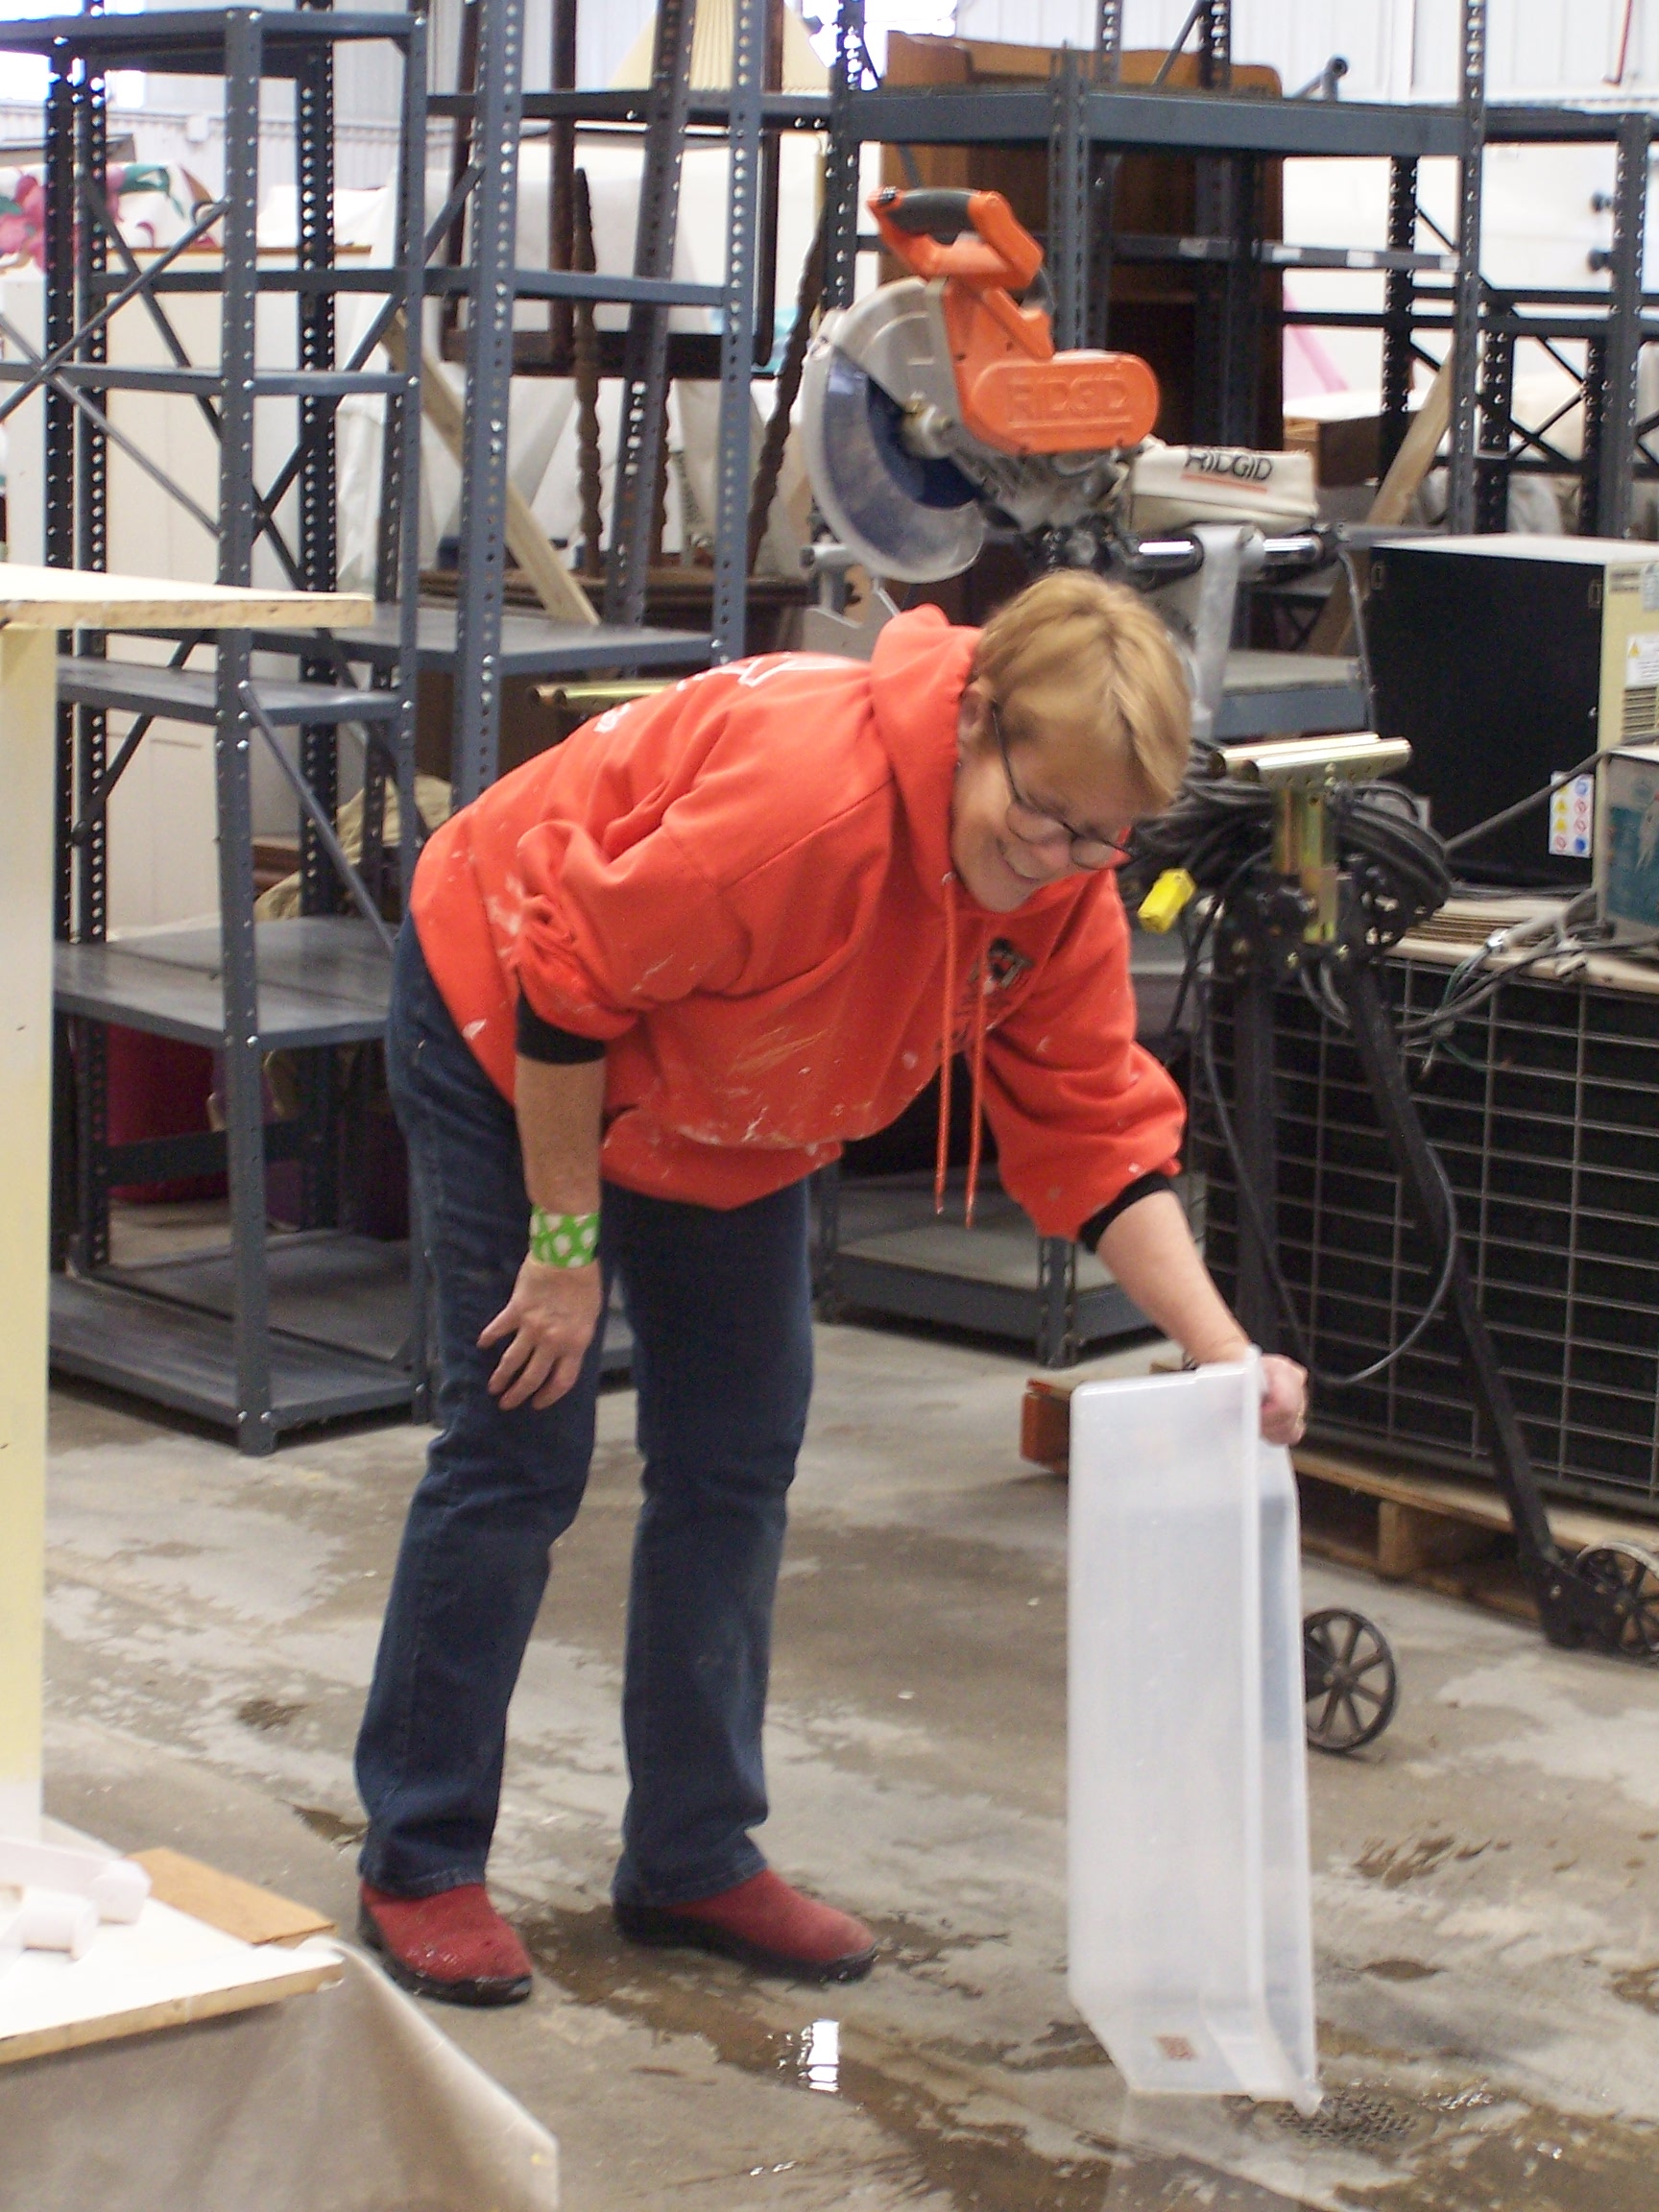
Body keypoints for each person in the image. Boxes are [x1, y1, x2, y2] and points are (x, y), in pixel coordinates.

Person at [353, 571, 1309, 2007]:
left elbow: (1095, 1124)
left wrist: (1223, 1353)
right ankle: (420, 1859)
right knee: (519, 1445)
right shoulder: (806, 808)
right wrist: (563, 1247)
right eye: (1041, 815)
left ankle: (691, 1855)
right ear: (976, 723)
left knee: (736, 1457)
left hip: (729, 1091)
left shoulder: (1060, 886)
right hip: (513, 1015)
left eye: (1101, 839)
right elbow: (567, 977)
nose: (1058, 859)